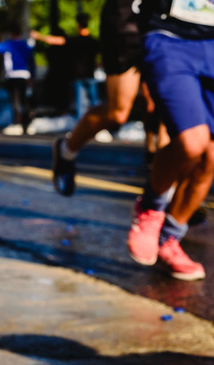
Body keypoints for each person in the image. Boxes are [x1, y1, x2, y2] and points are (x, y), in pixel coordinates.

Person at [125, 0, 214, 281]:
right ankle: (150, 209)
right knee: (192, 142)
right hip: (169, 38)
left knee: (211, 155)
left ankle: (169, 239)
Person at [34, 0, 145, 196]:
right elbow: (60, 42)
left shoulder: (89, 41)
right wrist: (41, 36)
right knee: (117, 113)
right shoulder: (80, 40)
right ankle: (66, 150)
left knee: (163, 108)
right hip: (129, 21)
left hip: (172, 23)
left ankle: (167, 190)